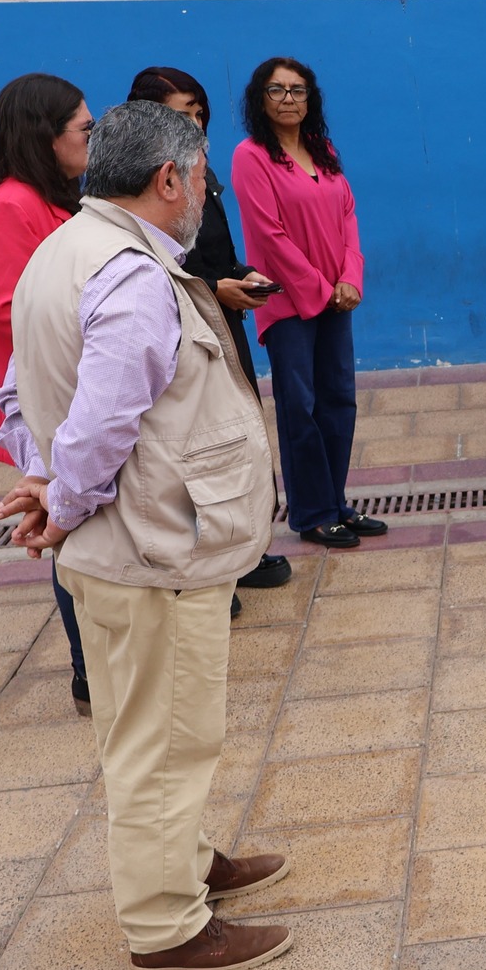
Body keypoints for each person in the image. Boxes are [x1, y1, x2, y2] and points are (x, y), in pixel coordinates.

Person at [0, 99, 293, 970]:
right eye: (198, 179)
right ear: (169, 179)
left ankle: (188, 857)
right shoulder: (129, 274)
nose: (202, 192)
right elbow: (103, 419)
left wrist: (47, 478)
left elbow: (22, 402)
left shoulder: (66, 251)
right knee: (161, 739)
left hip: (131, 548)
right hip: (147, 551)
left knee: (161, 728)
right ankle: (168, 924)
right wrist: (69, 498)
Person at [128, 66, 292, 602]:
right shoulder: (139, 180)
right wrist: (213, 288)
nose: (195, 123)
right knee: (194, 447)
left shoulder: (201, 169)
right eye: (182, 114)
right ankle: (206, 565)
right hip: (182, 331)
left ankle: (242, 547)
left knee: (236, 430)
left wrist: (241, 275)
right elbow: (155, 264)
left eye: (200, 113)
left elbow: (211, 251)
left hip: (223, 319)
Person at [0, 72, 94, 713]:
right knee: (64, 523)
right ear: (45, 136)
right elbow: (2, 310)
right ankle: (88, 674)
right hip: (40, 401)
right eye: (85, 130)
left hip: (65, 391)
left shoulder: (56, 199)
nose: (92, 143)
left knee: (81, 517)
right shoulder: (10, 206)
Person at [233, 57, 384, 548]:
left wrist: (350, 279)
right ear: (260, 99)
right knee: (301, 406)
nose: (288, 99)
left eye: (297, 90)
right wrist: (321, 288)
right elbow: (268, 235)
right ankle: (312, 512)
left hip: (336, 298)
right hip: (290, 303)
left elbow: (349, 217)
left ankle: (336, 502)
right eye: (276, 90)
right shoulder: (251, 156)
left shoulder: (324, 149)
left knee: (339, 400)